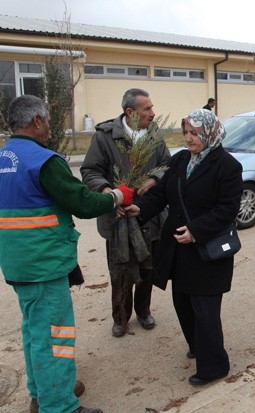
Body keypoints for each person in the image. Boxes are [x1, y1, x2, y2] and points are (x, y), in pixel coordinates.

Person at [0, 95, 133, 413]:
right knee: (54, 336)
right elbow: (82, 203)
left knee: (35, 330)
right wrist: (118, 195)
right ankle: (58, 405)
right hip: (43, 263)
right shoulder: (42, 161)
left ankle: (42, 390)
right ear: (36, 122)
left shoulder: (5, 157)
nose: (49, 126)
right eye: (46, 120)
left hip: (18, 262)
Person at [126, 109, 242, 386]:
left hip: (206, 249)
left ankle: (215, 365)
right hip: (178, 249)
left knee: (205, 308)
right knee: (183, 303)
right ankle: (197, 345)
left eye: (194, 133)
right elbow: (162, 195)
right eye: (186, 133)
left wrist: (196, 231)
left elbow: (227, 209)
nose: (188, 139)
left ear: (210, 133)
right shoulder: (181, 160)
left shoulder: (228, 166)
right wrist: (138, 209)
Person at [80, 88, 170, 337]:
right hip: (117, 216)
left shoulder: (154, 135)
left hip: (148, 215)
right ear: (130, 112)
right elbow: (90, 171)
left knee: (147, 269)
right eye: (147, 108)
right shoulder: (105, 138)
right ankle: (120, 317)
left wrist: (153, 179)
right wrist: (110, 193)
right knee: (120, 270)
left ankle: (144, 311)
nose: (153, 113)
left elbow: (166, 165)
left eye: (152, 107)